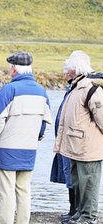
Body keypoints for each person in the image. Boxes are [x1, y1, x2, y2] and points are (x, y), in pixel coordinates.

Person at [0, 52, 52, 224]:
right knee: (24, 190)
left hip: (6, 149)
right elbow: (46, 123)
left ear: (13, 68)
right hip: (28, 149)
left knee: (5, 192)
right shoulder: (42, 92)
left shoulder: (9, 90)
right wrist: (36, 138)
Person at [54, 50, 103, 224]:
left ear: (76, 69)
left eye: (69, 68)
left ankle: (88, 217)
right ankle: (80, 214)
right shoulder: (76, 86)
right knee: (79, 184)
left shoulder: (90, 88)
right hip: (75, 146)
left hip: (88, 147)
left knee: (89, 184)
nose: (66, 72)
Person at [50, 60, 76, 221]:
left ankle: (75, 210)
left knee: (73, 177)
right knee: (70, 177)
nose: (64, 74)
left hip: (73, 141)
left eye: (66, 71)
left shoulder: (78, 88)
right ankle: (73, 210)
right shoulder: (72, 88)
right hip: (66, 140)